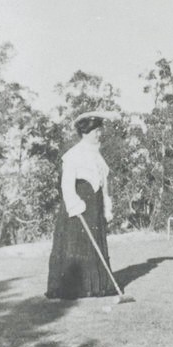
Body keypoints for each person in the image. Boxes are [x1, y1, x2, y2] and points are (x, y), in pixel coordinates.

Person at [46, 110, 120, 300]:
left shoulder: (98, 156)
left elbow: (104, 185)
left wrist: (106, 207)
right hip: (79, 208)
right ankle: (75, 288)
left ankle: (96, 286)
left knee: (94, 244)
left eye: (99, 130)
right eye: (95, 130)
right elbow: (66, 185)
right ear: (85, 133)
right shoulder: (73, 155)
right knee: (76, 245)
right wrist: (75, 204)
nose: (99, 134)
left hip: (95, 206)